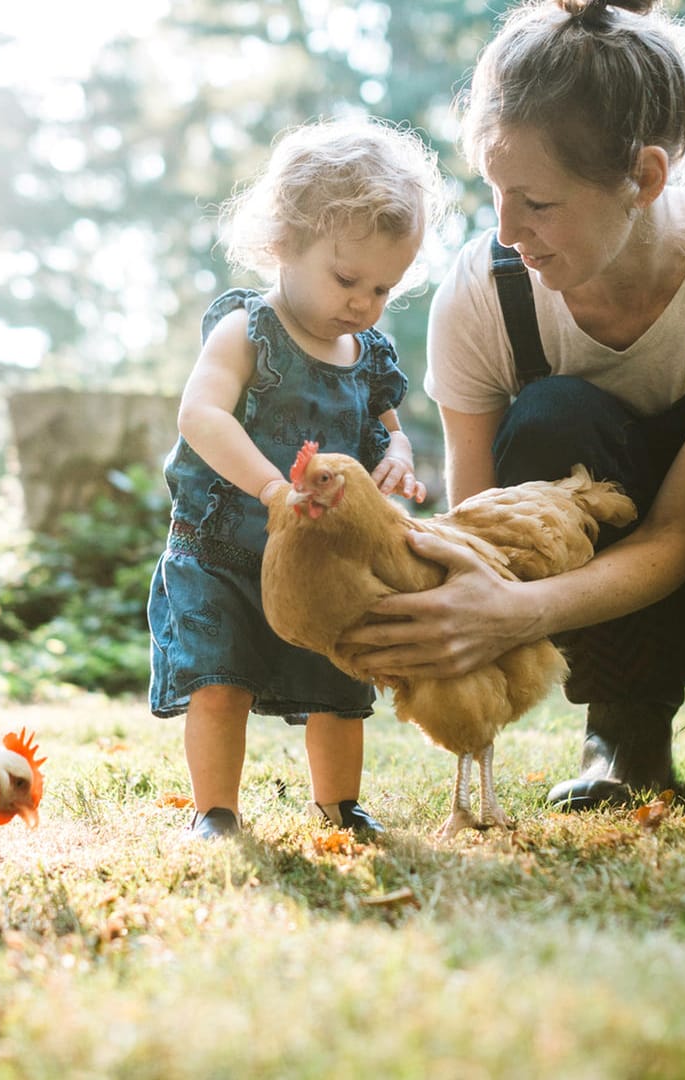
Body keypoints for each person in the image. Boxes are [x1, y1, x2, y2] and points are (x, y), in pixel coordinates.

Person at [340, 0, 685, 809]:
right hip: (602, 611)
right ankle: (623, 732)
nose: (507, 230)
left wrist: (516, 615)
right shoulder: (484, 295)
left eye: (537, 202)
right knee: (552, 419)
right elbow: (486, 526)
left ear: (645, 176)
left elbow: (675, 535)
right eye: (495, 192)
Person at [148, 117, 444, 840]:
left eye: (383, 287)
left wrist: (397, 459)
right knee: (219, 682)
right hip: (222, 547)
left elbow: (386, 426)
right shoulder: (248, 330)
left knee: (338, 691)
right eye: (348, 280)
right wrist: (271, 489)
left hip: (318, 563)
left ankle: (340, 804)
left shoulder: (368, 353)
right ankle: (215, 812)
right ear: (283, 243)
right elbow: (202, 414)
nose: (364, 303)